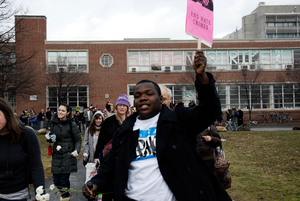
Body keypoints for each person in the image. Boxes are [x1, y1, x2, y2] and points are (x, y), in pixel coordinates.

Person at [83, 50, 231, 201]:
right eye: (138, 95)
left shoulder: (177, 120)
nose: (143, 98)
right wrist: (96, 182)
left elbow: (210, 110)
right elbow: (111, 165)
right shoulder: (124, 130)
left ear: (160, 99)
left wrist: (202, 77)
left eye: (149, 94)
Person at [0, 98, 45, 200]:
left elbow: (36, 166)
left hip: (17, 196)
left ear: (7, 114)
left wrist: (41, 195)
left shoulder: (26, 134)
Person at [49, 103, 82, 201]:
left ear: (68, 113)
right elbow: (52, 136)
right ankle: (66, 193)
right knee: (56, 182)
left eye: (63, 110)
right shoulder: (53, 123)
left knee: (63, 180)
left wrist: (76, 150)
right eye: (59, 110)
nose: (60, 112)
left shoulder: (71, 125)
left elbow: (78, 140)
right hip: (56, 155)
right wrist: (49, 138)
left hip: (67, 155)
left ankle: (65, 197)